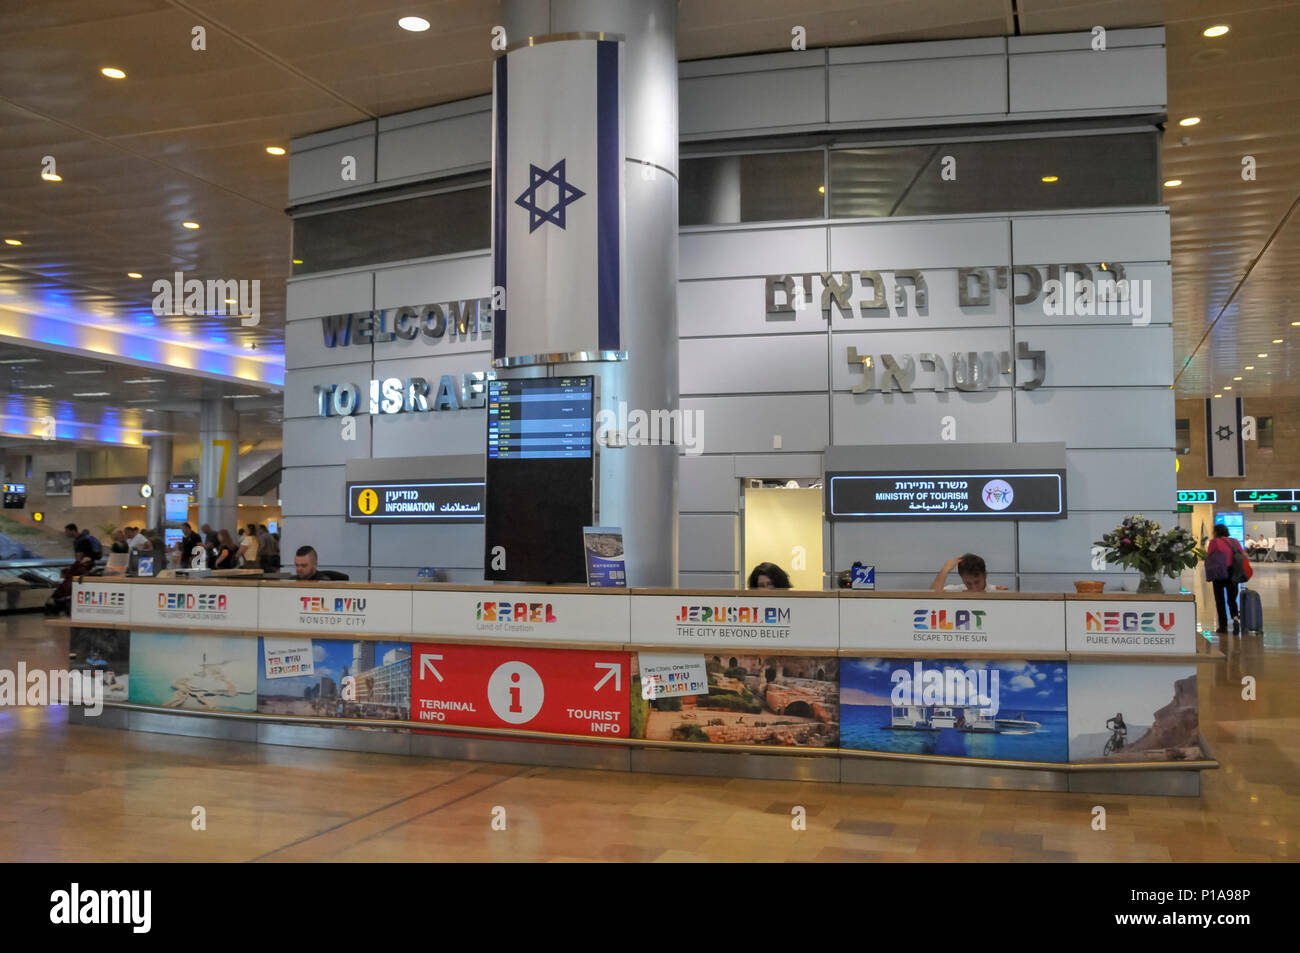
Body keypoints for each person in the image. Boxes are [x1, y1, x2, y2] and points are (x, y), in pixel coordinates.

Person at [1205, 524, 1246, 635]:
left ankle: (1223, 627)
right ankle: (1236, 619)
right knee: (1232, 599)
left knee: (1220, 600)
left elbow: (1209, 554)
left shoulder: (1214, 542)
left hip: (1219, 573)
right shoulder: (1234, 541)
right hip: (1233, 573)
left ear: (1216, 532)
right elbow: (1243, 554)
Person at [931, 553, 1008, 592]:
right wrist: (944, 570)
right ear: (962, 578)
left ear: (985, 575)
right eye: (968, 583)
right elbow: (930, 597)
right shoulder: (957, 590)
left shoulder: (997, 591)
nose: (974, 588)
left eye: (977, 582)